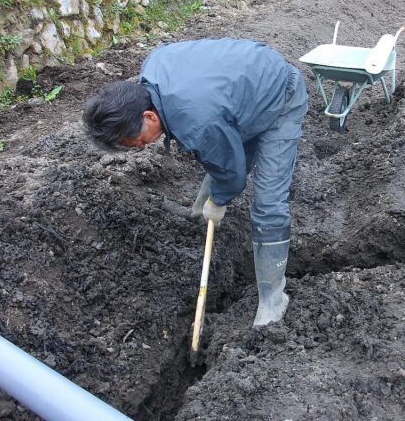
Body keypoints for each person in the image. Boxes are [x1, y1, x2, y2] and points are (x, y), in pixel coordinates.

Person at [84, 38, 308, 326]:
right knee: (218, 146)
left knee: (268, 204)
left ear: (149, 116)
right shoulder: (151, 70)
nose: (139, 147)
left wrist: (219, 200)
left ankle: (273, 298)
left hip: (280, 96)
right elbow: (215, 139)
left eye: (136, 141)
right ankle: (196, 220)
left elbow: (233, 176)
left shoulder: (197, 119)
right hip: (243, 92)